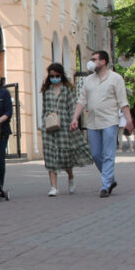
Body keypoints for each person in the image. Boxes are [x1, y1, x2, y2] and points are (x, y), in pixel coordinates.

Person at [70, 51, 133, 198]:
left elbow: (123, 102)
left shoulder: (116, 79)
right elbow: (81, 101)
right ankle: (110, 179)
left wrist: (128, 120)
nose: (91, 62)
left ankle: (105, 186)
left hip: (110, 121)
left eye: (94, 59)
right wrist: (75, 118)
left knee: (108, 154)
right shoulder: (88, 80)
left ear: (103, 62)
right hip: (93, 123)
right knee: (96, 154)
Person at [40, 63, 93, 196]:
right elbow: (44, 108)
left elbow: (72, 107)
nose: (54, 78)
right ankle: (54, 187)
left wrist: (73, 122)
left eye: (57, 75)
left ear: (61, 75)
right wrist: (43, 123)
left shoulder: (67, 90)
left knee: (65, 156)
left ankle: (71, 177)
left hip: (64, 126)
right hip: (49, 126)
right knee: (50, 155)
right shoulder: (47, 90)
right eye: (52, 76)